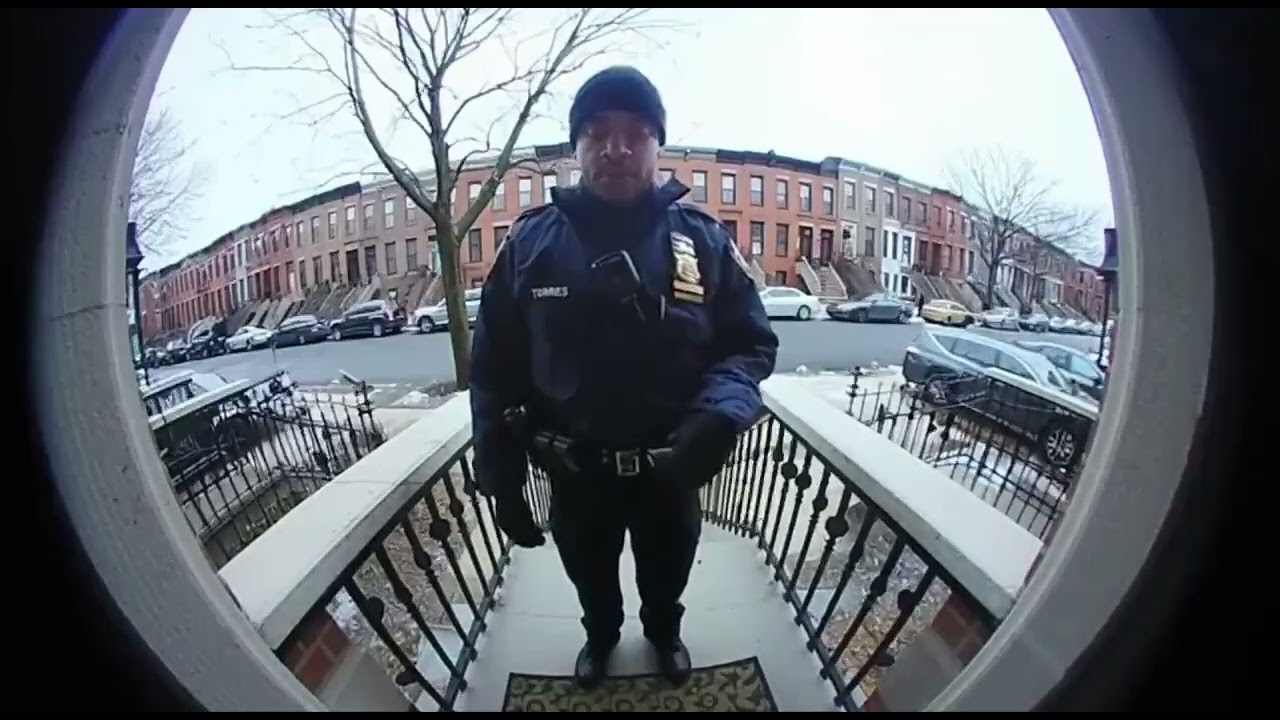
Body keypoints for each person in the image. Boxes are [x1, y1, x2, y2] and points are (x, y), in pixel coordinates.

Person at [469, 65, 779, 690]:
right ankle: (602, 637)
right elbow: (493, 369)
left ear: (658, 146)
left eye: (635, 133)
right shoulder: (530, 246)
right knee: (590, 575)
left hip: (670, 473)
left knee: (667, 573)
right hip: (576, 477)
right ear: (576, 146)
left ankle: (664, 633)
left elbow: (749, 343)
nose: (616, 148)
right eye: (597, 132)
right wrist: (501, 479)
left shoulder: (703, 242)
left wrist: (719, 415)